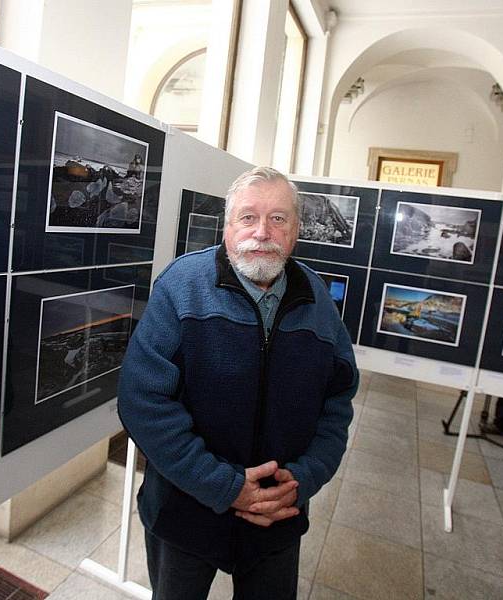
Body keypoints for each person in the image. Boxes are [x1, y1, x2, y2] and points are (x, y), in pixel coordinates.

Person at [117, 166, 359, 600]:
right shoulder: (181, 288)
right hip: (185, 508)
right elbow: (142, 401)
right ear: (227, 227)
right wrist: (226, 487)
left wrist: (303, 480)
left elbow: (337, 403)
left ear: (296, 230)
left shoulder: (318, 301)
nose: (262, 232)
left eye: (278, 218)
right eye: (247, 217)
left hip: (277, 510)